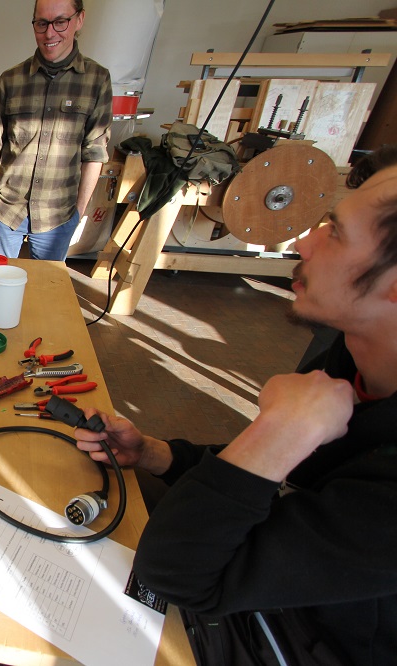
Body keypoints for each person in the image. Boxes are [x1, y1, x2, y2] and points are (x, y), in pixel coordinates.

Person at [73, 161, 397, 664]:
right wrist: (157, 454)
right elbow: (273, 481)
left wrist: (278, 431)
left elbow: (175, 572)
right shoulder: (352, 358)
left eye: (336, 233)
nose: (303, 243)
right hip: (259, 591)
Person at [0, 0, 112, 261]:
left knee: (48, 285)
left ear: (79, 20)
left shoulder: (97, 80)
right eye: (42, 23)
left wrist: (78, 212)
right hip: (7, 212)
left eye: (60, 22)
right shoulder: (10, 80)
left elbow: (95, 153)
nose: (50, 33)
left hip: (58, 216)